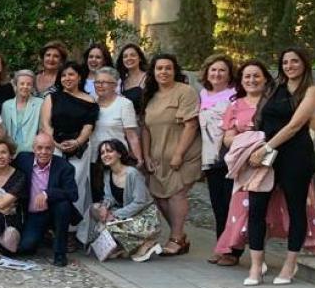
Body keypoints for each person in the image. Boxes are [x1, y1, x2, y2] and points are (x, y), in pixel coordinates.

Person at [214, 59, 315, 266]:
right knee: (251, 210)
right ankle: (249, 257)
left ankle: (288, 258)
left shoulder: (281, 98)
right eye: (247, 76)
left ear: (266, 79)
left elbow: (311, 122)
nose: (251, 80)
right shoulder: (236, 105)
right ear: (240, 80)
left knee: (286, 208)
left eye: (256, 75)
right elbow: (227, 137)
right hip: (255, 162)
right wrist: (250, 139)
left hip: (287, 158)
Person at [243, 48, 315, 287]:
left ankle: (290, 264)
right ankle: (256, 266)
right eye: (285, 62)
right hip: (266, 157)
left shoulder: (311, 91)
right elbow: (260, 117)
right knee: (256, 209)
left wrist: (266, 148)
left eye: (294, 61)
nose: (289, 66)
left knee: (296, 209)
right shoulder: (274, 88)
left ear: (304, 64)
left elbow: (295, 125)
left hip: (295, 156)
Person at [141, 53, 201, 257]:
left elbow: (191, 124)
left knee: (176, 194)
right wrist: (147, 155)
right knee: (159, 197)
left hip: (183, 155)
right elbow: (146, 129)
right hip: (158, 156)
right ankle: (180, 235)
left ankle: (175, 238)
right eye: (159, 68)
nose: (163, 72)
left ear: (175, 70)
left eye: (168, 68)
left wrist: (178, 154)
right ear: (153, 72)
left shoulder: (185, 92)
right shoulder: (151, 95)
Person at [81, 139, 161, 261]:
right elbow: (110, 197)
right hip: (126, 213)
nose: (105, 155)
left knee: (108, 226)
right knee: (95, 209)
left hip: (145, 216)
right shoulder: (108, 174)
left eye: (109, 151)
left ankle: (148, 241)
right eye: (102, 153)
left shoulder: (132, 173)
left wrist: (115, 215)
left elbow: (140, 201)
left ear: (119, 154)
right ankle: (123, 245)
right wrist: (104, 207)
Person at [40, 61, 97, 225]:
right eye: (63, 75)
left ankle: (72, 229)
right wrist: (56, 144)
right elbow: (45, 124)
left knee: (76, 186)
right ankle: (52, 226)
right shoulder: (52, 97)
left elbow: (89, 126)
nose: (67, 78)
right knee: (53, 184)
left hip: (80, 149)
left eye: (71, 74)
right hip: (54, 148)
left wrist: (77, 142)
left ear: (79, 77)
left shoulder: (90, 101)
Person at [13, 133, 79, 266]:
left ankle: (60, 253)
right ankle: (43, 236)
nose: (43, 152)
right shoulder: (22, 160)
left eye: (48, 148)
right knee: (26, 248)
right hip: (33, 215)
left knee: (63, 205)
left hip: (54, 211)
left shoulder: (64, 166)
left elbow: (73, 194)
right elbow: (4, 165)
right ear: (33, 148)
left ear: (54, 149)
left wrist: (47, 193)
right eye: (40, 148)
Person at [88, 66, 141, 201]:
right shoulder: (90, 103)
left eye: (105, 82)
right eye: (97, 82)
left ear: (115, 85)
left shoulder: (124, 104)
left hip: (117, 160)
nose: (100, 85)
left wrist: (138, 159)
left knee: (119, 199)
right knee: (97, 200)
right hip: (94, 160)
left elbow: (132, 135)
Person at [198, 54, 236, 242]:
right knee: (217, 205)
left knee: (230, 204)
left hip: (229, 156)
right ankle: (221, 245)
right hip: (210, 157)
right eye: (213, 69)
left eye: (222, 70)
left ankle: (231, 248)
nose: (217, 73)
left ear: (229, 74)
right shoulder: (202, 94)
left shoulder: (235, 95)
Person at [1, 70, 42, 155]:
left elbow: (42, 129)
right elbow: (3, 131)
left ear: (33, 87)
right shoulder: (6, 105)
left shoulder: (40, 103)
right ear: (16, 85)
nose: (25, 87)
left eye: (29, 84)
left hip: (32, 151)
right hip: (11, 152)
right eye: (22, 83)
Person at [117, 43, 148, 111]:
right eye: (125, 56)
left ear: (140, 58)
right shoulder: (120, 82)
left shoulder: (148, 78)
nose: (129, 58)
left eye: (133, 55)